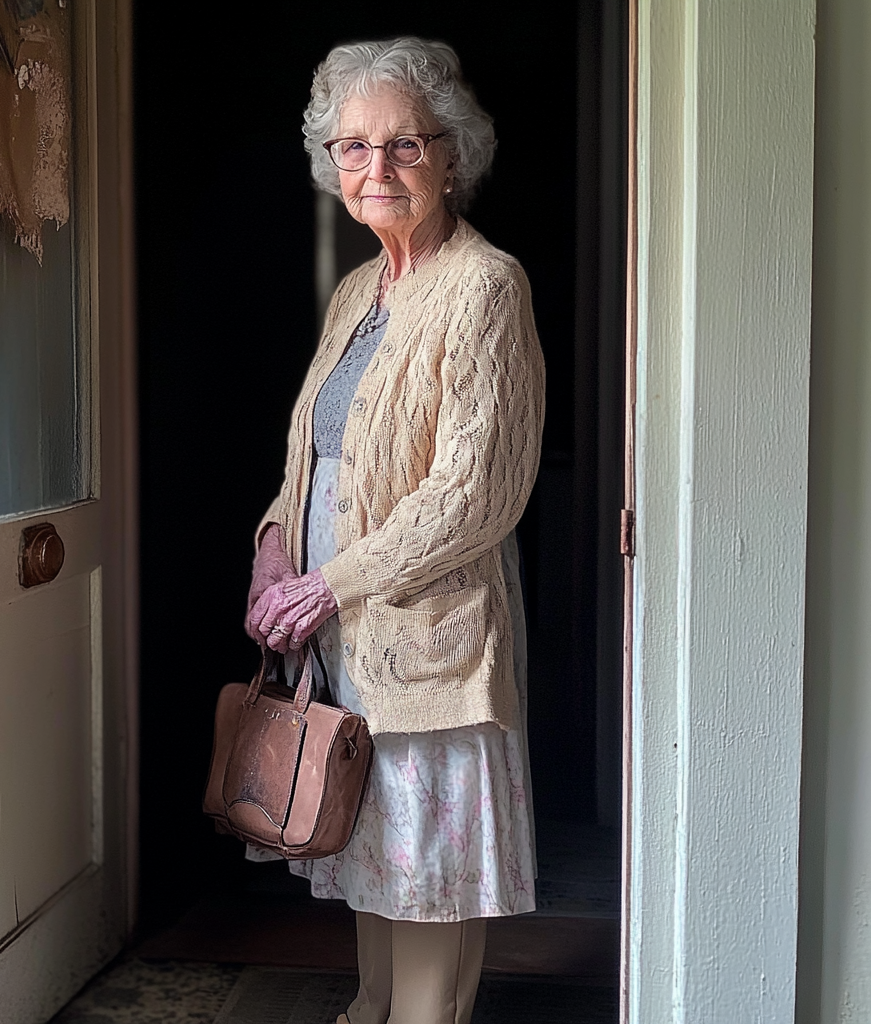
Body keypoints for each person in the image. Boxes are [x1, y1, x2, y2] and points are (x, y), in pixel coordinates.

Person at [244, 37, 545, 1024]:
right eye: (352, 146)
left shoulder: (483, 285)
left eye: (404, 145)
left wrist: (326, 584)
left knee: (427, 879)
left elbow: (472, 495)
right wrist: (272, 552)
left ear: (452, 154)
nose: (375, 169)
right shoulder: (354, 292)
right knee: (369, 856)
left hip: (427, 645)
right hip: (343, 640)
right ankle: (367, 1010)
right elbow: (311, 458)